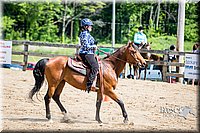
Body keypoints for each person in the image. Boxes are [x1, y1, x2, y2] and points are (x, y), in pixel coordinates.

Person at [78, 18, 99, 93]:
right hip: (85, 53)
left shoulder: (87, 34)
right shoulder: (84, 34)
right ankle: (89, 84)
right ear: (86, 26)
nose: (91, 27)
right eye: (90, 26)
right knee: (95, 66)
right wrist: (94, 47)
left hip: (89, 53)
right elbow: (85, 46)